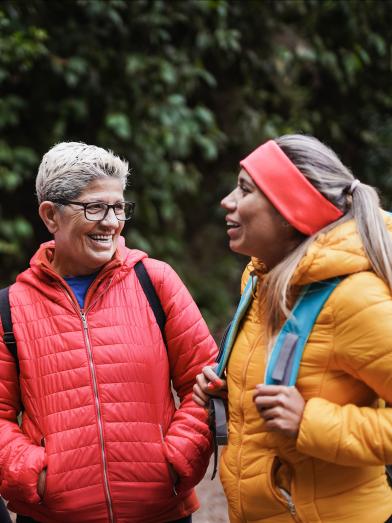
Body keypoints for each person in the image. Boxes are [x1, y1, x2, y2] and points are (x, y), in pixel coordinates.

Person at [0, 142, 217, 523]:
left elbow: (207, 380)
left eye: (119, 208)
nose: (112, 222)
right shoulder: (10, 307)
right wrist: (34, 475)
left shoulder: (156, 281)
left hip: (160, 514)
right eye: (95, 207)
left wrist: (176, 460)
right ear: (51, 216)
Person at [193, 135, 392, 522]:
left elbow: (303, 407)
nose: (227, 201)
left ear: (290, 212)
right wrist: (229, 389)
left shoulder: (354, 299)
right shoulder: (261, 280)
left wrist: (311, 422)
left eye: (246, 189)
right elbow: (299, 375)